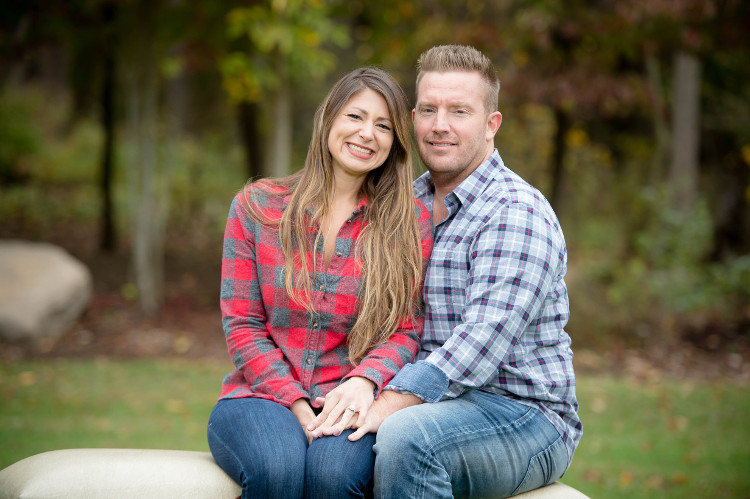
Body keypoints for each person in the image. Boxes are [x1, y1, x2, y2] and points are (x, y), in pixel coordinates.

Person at [313, 45, 582, 498]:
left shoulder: (515, 211)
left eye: (459, 111)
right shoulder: (404, 206)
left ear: (491, 124)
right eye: (430, 110)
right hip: (428, 398)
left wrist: (386, 405)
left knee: (410, 439)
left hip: (521, 414)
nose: (441, 125)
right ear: (413, 118)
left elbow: (481, 341)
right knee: (330, 457)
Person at [207, 67, 433, 499]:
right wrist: (294, 402)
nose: (367, 134)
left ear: (395, 141)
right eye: (356, 116)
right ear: (328, 119)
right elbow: (242, 324)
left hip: (350, 398)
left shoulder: (408, 224)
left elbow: (405, 330)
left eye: (383, 125)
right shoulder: (257, 208)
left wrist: (364, 382)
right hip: (260, 396)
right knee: (278, 468)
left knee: (332, 478)